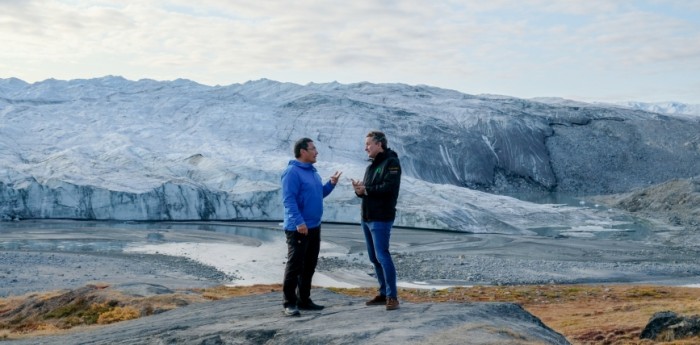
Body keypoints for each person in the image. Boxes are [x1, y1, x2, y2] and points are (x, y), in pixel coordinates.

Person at [281, 137, 342, 317]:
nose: (316, 152)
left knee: (309, 265)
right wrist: (299, 222)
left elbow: (318, 194)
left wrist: (331, 185)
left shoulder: (313, 172)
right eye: (313, 148)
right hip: (298, 228)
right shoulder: (292, 172)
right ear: (302, 151)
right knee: (295, 265)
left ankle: (304, 300)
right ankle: (289, 303)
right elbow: (289, 200)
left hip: (314, 226)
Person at [351, 130, 402, 311]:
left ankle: (392, 297)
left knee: (382, 255)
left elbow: (388, 187)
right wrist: (359, 191)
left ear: (379, 144)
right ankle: (383, 293)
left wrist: (366, 189)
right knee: (374, 257)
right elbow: (369, 191)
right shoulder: (371, 167)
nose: (366, 148)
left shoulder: (392, 163)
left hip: (381, 217)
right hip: (367, 217)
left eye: (368, 144)